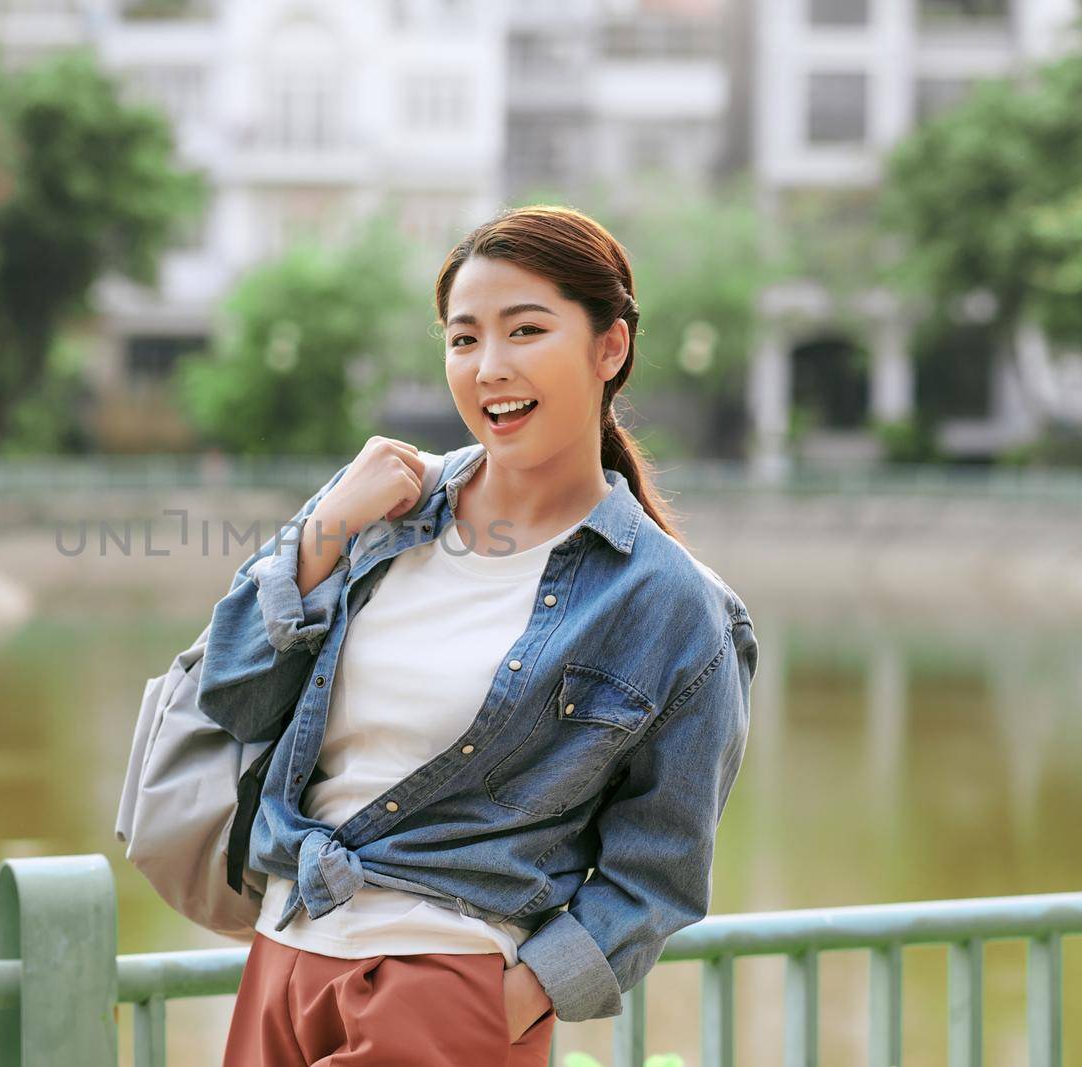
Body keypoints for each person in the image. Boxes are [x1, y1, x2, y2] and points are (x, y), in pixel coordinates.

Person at [203, 205, 758, 1065]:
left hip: (447, 991)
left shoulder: (673, 607)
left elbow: (659, 872)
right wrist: (321, 535)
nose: (489, 367)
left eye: (526, 330)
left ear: (609, 349)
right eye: (464, 339)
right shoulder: (382, 512)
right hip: (286, 959)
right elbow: (233, 695)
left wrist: (507, 1000)